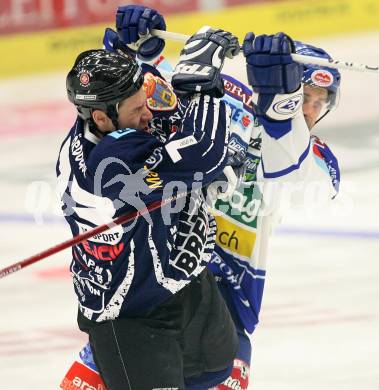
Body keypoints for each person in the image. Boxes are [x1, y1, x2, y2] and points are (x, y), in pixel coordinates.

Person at [60, 5, 341, 390]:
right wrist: (142, 53)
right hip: (148, 296)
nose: (308, 109)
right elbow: (153, 104)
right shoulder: (229, 107)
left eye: (319, 102)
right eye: (304, 94)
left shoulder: (316, 161)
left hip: (221, 312)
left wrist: (282, 110)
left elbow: (289, 172)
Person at [58, 21, 245, 390]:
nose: (148, 114)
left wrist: (134, 47)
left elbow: (167, 118)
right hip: (132, 320)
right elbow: (203, 153)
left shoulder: (110, 121)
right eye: (137, 110)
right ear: (101, 117)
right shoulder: (108, 168)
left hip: (185, 290)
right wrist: (202, 86)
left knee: (216, 373)